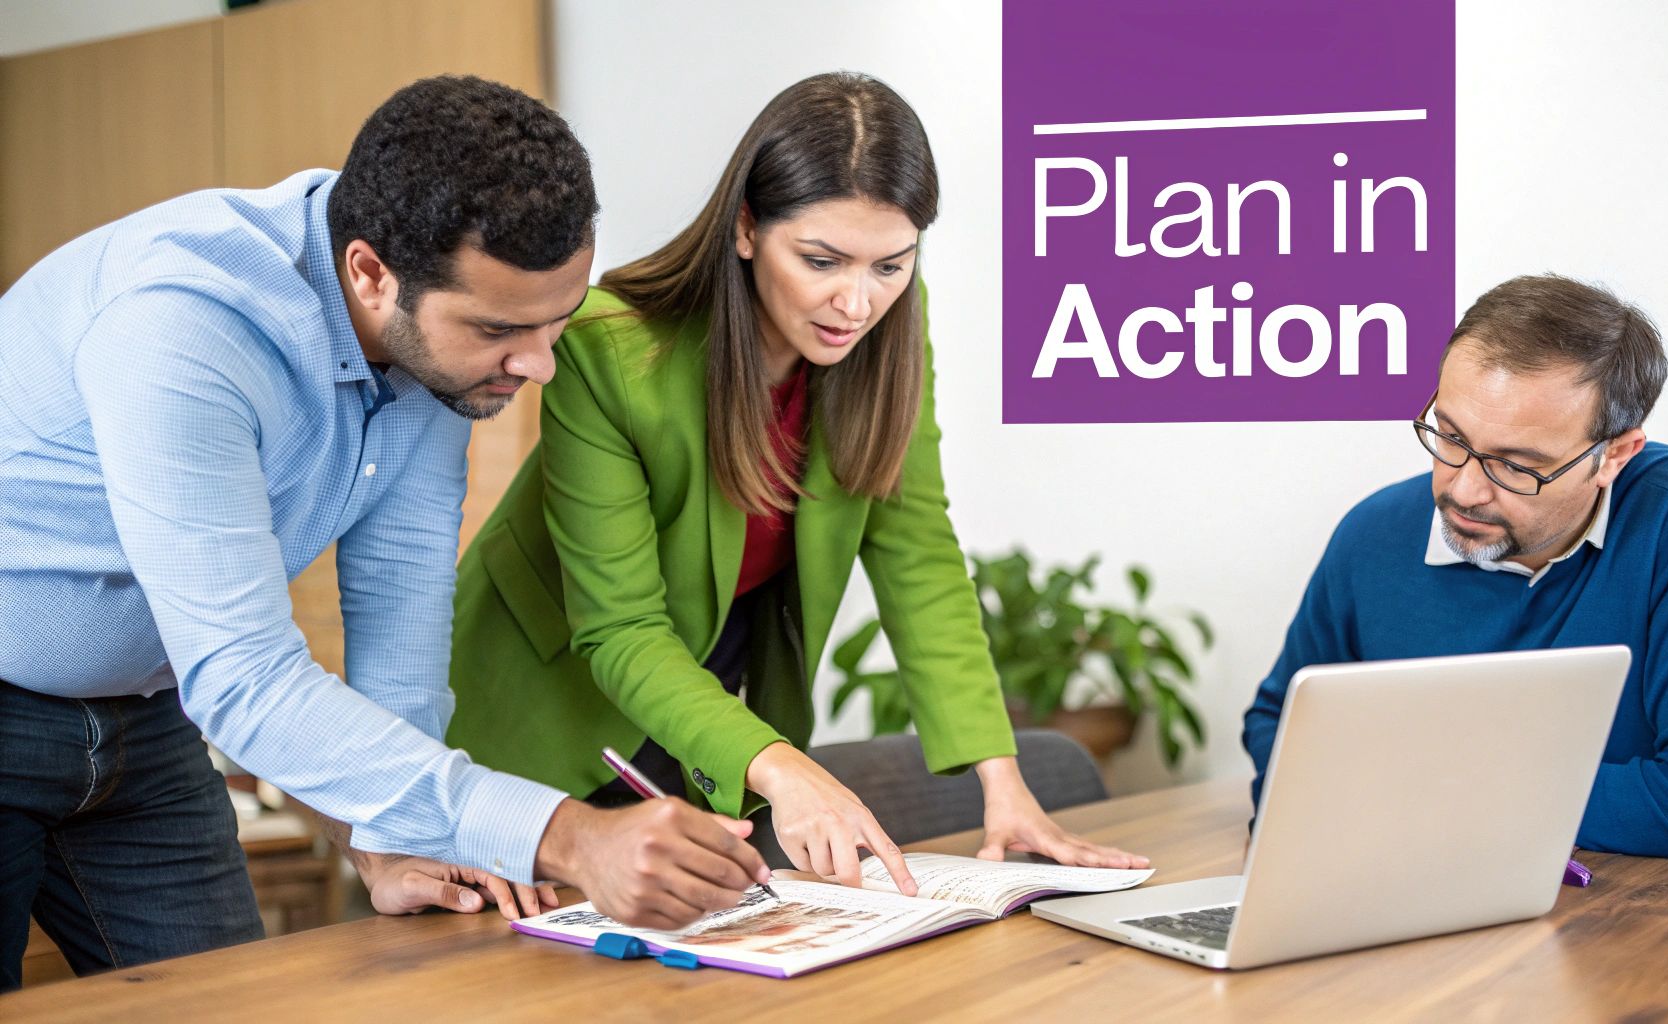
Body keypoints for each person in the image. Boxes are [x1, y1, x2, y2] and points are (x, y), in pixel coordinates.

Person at [0, 75, 768, 990]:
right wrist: (567, 834)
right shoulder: (184, 328)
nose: (540, 366)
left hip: (145, 726)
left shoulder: (438, 360)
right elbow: (244, 677)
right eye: (500, 329)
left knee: (228, 1007)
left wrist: (396, 834)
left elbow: (399, 641)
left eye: (558, 321)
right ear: (370, 272)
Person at [445, 71, 1145, 892]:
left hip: (709, 691)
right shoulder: (610, 350)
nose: (856, 302)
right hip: (547, 696)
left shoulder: (885, 350)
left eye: (892, 265)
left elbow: (919, 557)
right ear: (746, 228)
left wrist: (1005, 785)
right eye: (822, 260)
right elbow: (622, 629)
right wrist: (782, 768)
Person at [1242, 274, 1668, 862]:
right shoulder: (1373, 534)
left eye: (1517, 465)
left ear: (1614, 455)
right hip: (1399, 891)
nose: (1464, 489)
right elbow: (1283, 723)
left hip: (1627, 926)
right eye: (1451, 437)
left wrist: (1419, 789)